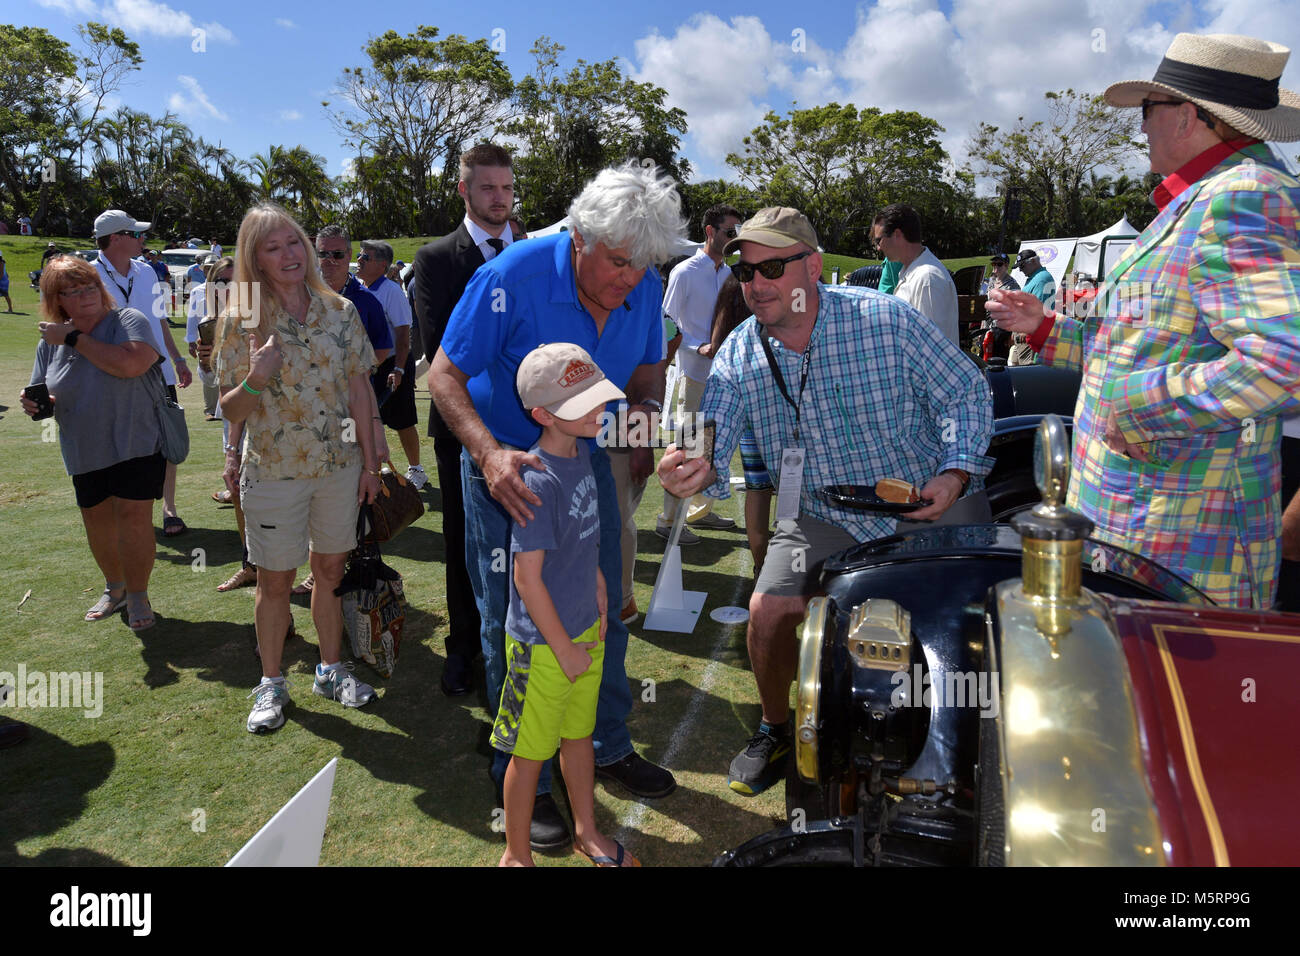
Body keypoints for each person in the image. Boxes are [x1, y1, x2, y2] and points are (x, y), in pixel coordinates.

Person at [658, 207, 993, 796]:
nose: (755, 283)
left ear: (812, 268)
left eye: (772, 267)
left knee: (960, 626)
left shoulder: (887, 321)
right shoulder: (739, 351)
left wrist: (956, 473)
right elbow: (713, 429)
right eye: (745, 269)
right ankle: (775, 727)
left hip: (926, 502)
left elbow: (966, 392)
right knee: (768, 611)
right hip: (823, 511)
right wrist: (693, 463)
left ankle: (963, 746)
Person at [989, 31, 1300, 609]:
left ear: (1186, 117)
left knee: (1182, 700)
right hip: (1145, 531)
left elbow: (1286, 365)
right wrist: (1042, 327)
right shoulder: (1202, 200)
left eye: (1147, 111)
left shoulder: (1245, 196)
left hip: (1183, 545)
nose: (1140, 127)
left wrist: (1139, 409)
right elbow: (1138, 346)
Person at [429, 160, 681, 848]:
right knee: (510, 627)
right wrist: (488, 454)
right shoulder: (510, 275)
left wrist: (646, 418)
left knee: (605, 607)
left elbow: (648, 368)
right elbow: (443, 375)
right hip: (507, 470)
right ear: (579, 237)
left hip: (588, 463)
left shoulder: (645, 276)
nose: (630, 279)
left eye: (642, 266)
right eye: (618, 262)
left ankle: (607, 741)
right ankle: (526, 776)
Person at [214, 202, 383, 734]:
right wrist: (258, 377)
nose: (288, 254)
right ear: (255, 258)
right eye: (273, 246)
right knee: (275, 581)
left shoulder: (340, 309)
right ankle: (272, 682)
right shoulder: (239, 315)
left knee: (330, 573)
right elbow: (231, 408)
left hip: (338, 467)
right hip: (274, 472)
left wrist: (371, 463)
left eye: (294, 242)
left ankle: (331, 670)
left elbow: (360, 390)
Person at [495, 343, 639, 867]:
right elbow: (527, 579)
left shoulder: (582, 456)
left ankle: (587, 832)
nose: (602, 411)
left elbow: (583, 538)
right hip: (544, 648)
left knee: (579, 739)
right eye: (588, 403)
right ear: (543, 415)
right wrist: (564, 649)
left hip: (585, 632)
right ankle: (516, 855)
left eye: (601, 399)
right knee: (529, 753)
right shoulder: (535, 479)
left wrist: (600, 583)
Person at [413, 143, 524, 696]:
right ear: (464, 190)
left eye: (506, 188)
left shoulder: (532, 251)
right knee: (465, 545)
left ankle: (522, 648)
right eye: (488, 188)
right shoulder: (436, 259)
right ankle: (465, 650)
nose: (499, 199)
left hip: (532, 428)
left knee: (530, 544)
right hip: (461, 429)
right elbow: (441, 353)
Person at [21, 255, 165, 631]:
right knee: (97, 522)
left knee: (134, 520)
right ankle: (114, 588)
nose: (84, 295)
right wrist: (37, 404)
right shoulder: (49, 342)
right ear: (57, 299)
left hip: (136, 441)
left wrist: (73, 338)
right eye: (72, 291)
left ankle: (138, 595)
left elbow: (130, 365)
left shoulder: (128, 321)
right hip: (84, 448)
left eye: (89, 286)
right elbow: (47, 391)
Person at [290, 225, 395, 596]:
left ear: (350, 257)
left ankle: (340, 567)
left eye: (337, 254)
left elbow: (384, 348)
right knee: (310, 490)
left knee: (351, 485)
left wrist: (355, 377)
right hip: (307, 419)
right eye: (323, 253)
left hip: (352, 414)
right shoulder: (297, 296)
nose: (329, 261)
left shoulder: (364, 302)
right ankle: (321, 565)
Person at [92, 209, 192, 537]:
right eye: (136, 235)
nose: (142, 239)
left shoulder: (147, 272)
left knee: (167, 440)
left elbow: (159, 319)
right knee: (124, 443)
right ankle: (132, 512)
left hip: (158, 373)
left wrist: (177, 359)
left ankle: (169, 509)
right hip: (114, 374)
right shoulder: (87, 275)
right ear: (116, 239)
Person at [655, 204, 743, 541]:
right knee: (685, 445)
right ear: (710, 232)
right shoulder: (685, 272)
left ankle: (699, 511)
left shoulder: (730, 274)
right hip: (692, 372)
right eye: (729, 232)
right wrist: (699, 346)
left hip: (721, 376)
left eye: (737, 232)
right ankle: (667, 521)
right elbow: (666, 325)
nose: (734, 238)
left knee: (713, 446)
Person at [708, 274, 773, 575]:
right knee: (787, 490)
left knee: (758, 488)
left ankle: (762, 566)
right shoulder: (788, 287)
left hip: (747, 402)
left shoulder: (734, 286)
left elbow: (717, 343)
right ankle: (780, 566)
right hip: (775, 403)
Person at [357, 239, 424, 489]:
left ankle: (416, 469)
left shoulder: (391, 291)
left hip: (393, 364)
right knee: (368, 419)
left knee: (402, 420)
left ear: (382, 264)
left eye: (366, 257)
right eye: (359, 255)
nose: (359, 261)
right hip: (367, 366)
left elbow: (403, 334)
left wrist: (398, 369)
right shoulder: (358, 288)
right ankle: (374, 466)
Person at [871, 203, 960, 346]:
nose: (878, 247)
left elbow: (933, 348)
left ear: (897, 235)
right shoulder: (911, 271)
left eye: (878, 240)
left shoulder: (928, 279)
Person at [187, 256, 233, 421]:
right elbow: (211, 380)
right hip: (231, 415)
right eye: (223, 282)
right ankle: (210, 409)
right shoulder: (209, 323)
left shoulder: (260, 318)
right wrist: (205, 364)